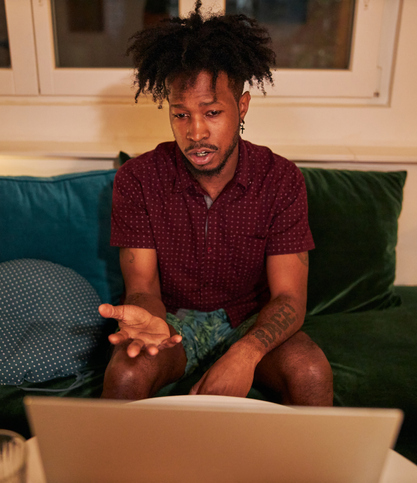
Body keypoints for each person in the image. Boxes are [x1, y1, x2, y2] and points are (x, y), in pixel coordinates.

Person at [98, 1, 333, 406]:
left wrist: (246, 353)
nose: (196, 132)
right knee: (125, 372)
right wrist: (148, 319)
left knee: (310, 372)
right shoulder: (138, 179)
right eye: (181, 115)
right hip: (172, 324)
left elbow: (290, 299)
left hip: (249, 321)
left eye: (212, 112)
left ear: (241, 107)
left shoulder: (280, 180)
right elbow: (142, 286)